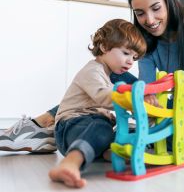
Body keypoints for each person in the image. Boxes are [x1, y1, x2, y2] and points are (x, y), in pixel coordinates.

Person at [0, 0, 184, 159]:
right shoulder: (146, 39)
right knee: (112, 74)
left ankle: (111, 134)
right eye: (140, 13)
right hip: (166, 116)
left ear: (168, 1)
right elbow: (147, 90)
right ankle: (44, 124)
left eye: (155, 8)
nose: (149, 20)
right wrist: (151, 109)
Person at [48, 19, 146, 188]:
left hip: (90, 124)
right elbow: (104, 97)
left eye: (134, 57)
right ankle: (70, 163)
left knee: (128, 129)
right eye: (126, 53)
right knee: (102, 128)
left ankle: (108, 152)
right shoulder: (92, 70)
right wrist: (134, 100)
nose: (131, 61)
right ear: (104, 47)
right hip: (71, 125)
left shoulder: (108, 74)